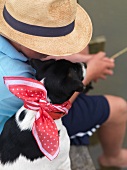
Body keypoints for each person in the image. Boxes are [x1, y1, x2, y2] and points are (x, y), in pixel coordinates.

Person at [0, 0, 127, 168]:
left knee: (80, 50)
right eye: (49, 46)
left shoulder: (14, 35)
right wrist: (87, 75)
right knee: (119, 109)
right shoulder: (16, 81)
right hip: (30, 123)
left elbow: (44, 58)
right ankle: (113, 157)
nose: (57, 50)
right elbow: (53, 108)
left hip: (42, 93)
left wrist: (84, 60)